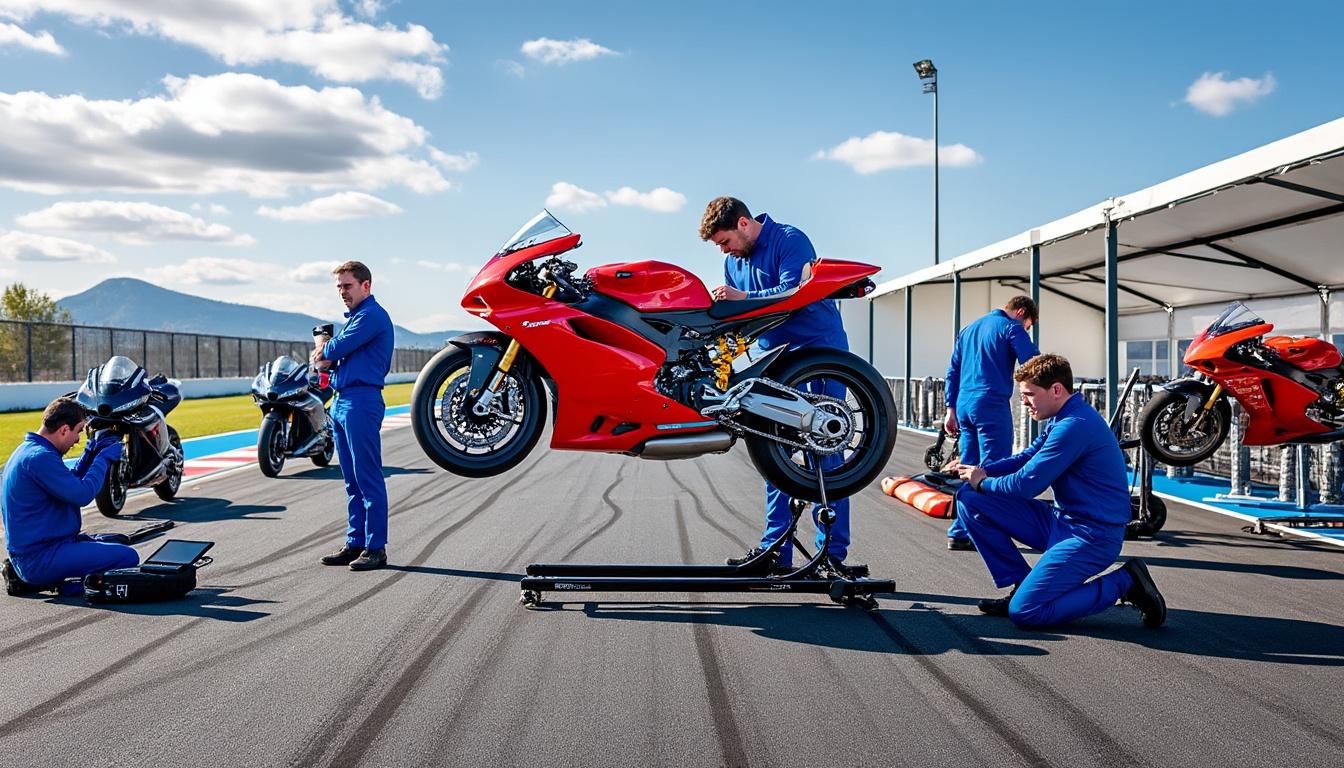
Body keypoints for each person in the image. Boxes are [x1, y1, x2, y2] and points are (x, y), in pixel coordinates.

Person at [699, 196, 858, 573]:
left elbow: (796, 294)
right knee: (775, 454)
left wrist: (744, 298)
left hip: (818, 354)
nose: (723, 250)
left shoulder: (790, 240)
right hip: (773, 362)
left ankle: (831, 556)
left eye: (725, 241)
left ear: (742, 224)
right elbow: (741, 318)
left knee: (825, 451)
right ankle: (776, 551)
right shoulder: (731, 262)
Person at [952, 354, 1166, 628]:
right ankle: (1022, 583)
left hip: (1093, 536)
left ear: (1056, 389)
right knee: (969, 499)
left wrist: (982, 481)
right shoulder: (1062, 416)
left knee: (1026, 612)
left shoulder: (1074, 425)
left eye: (1029, 394)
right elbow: (1026, 457)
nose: (1024, 402)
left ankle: (1125, 582)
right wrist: (976, 470)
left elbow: (1027, 484)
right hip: (1062, 521)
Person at [1, 397, 138, 596]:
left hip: (43, 549)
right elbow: (82, 494)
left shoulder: (28, 450)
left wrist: (90, 454)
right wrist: (103, 458)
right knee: (128, 557)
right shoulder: (40, 458)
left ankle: (52, 579)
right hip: (41, 558)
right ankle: (64, 586)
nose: (77, 440)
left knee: (119, 543)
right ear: (64, 429)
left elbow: (66, 483)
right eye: (79, 431)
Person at [312, 261, 394, 571]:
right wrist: (325, 353)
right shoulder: (357, 318)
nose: (342, 293)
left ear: (366, 286)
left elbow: (328, 353)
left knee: (367, 478)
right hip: (343, 400)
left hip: (361, 401)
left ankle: (376, 547)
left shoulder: (371, 315)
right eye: (339, 287)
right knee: (351, 482)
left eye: (347, 286)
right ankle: (356, 541)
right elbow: (326, 362)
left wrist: (322, 344)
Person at [942, 296, 1040, 551]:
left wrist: (950, 409)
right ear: (1020, 313)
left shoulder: (969, 329)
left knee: (968, 468)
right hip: (990, 404)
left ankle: (961, 531)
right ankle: (989, 530)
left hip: (964, 405)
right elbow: (1033, 363)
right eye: (1027, 326)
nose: (1025, 330)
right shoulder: (1011, 327)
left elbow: (952, 370)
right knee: (994, 468)